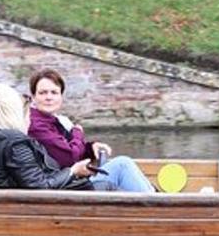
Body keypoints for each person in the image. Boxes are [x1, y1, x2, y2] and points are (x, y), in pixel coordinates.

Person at [24, 68, 154, 192]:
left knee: (125, 168)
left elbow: (66, 149)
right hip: (64, 187)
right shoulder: (36, 125)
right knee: (122, 165)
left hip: (71, 182)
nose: (49, 97)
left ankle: (155, 201)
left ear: (61, 97)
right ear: (33, 97)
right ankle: (156, 207)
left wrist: (90, 149)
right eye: (43, 93)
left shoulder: (52, 120)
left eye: (54, 92)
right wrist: (78, 132)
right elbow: (70, 157)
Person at [0, 84, 98, 190]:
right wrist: (73, 171)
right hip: (27, 209)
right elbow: (40, 186)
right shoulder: (14, 141)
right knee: (112, 177)